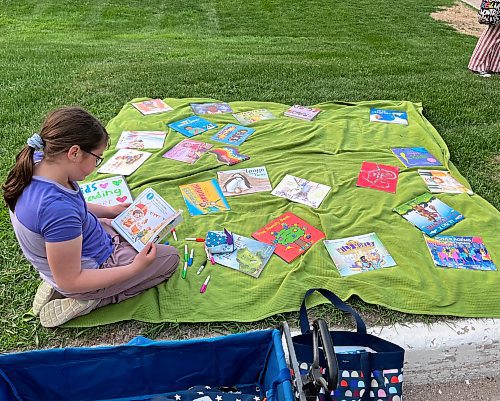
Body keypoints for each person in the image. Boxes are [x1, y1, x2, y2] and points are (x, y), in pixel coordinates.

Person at [2, 107, 180, 327]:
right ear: (74, 153)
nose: (96, 166)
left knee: (125, 227)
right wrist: (134, 269)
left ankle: (55, 280)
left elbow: (76, 208)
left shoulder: (40, 161)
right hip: (87, 272)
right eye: (97, 158)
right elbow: (72, 278)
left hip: (77, 249)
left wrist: (108, 211)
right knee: (170, 258)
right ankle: (93, 299)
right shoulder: (56, 210)